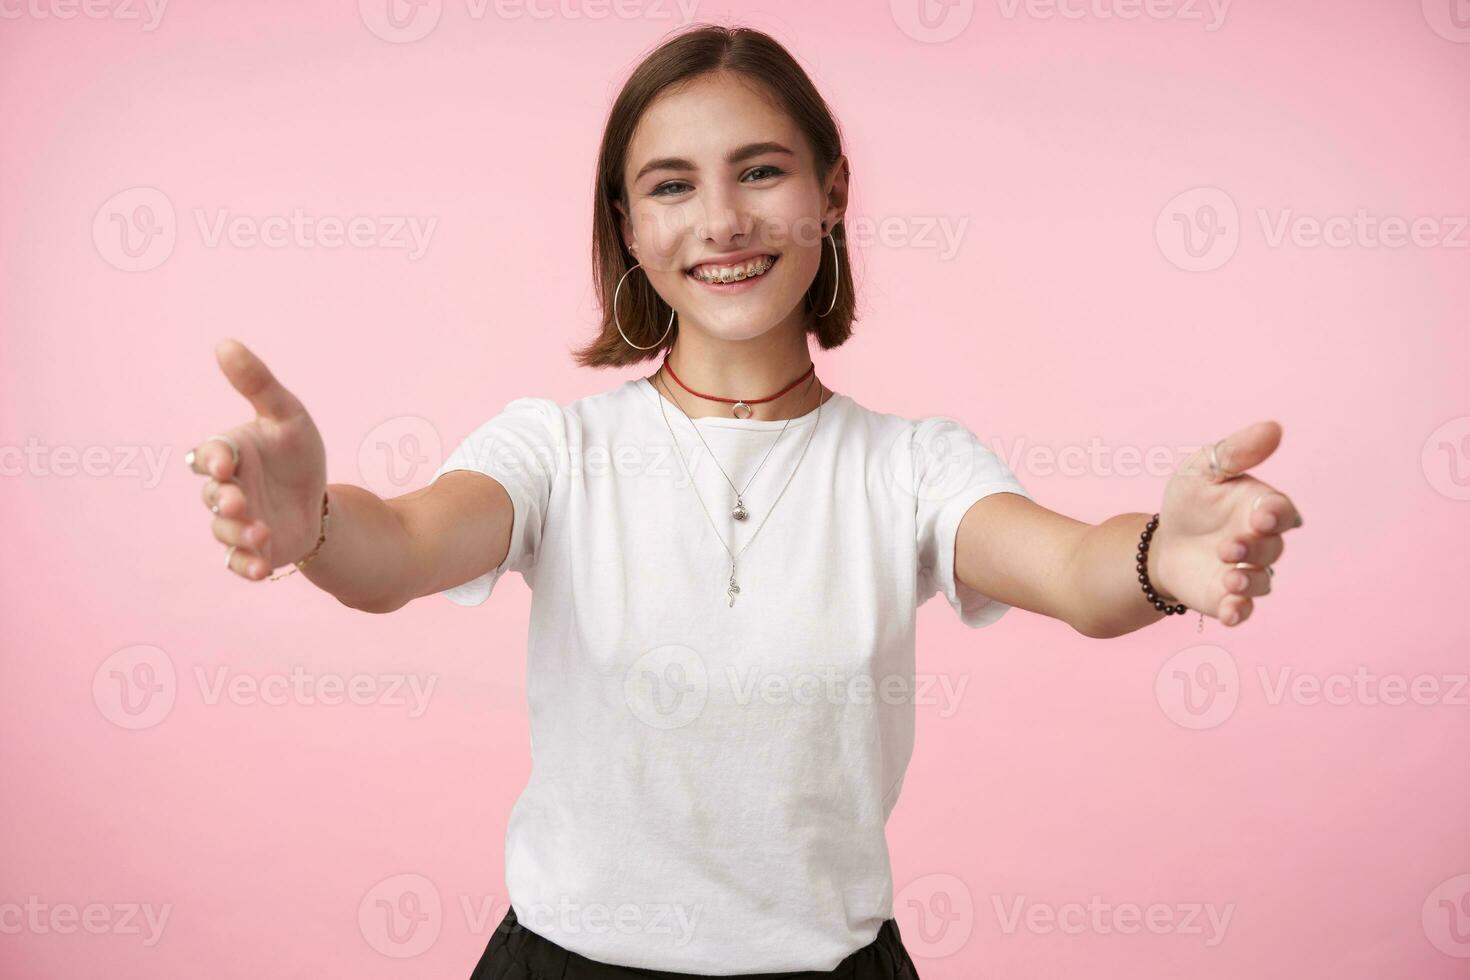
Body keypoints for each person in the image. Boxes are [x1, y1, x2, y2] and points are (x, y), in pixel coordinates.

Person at [183, 23, 1302, 980]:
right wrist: (316, 523)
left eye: (761, 171)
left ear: (832, 192)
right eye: (672, 185)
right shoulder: (558, 448)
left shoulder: (907, 465)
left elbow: (1072, 569)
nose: (721, 221)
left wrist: (1165, 553)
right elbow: (403, 547)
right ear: (628, 225)